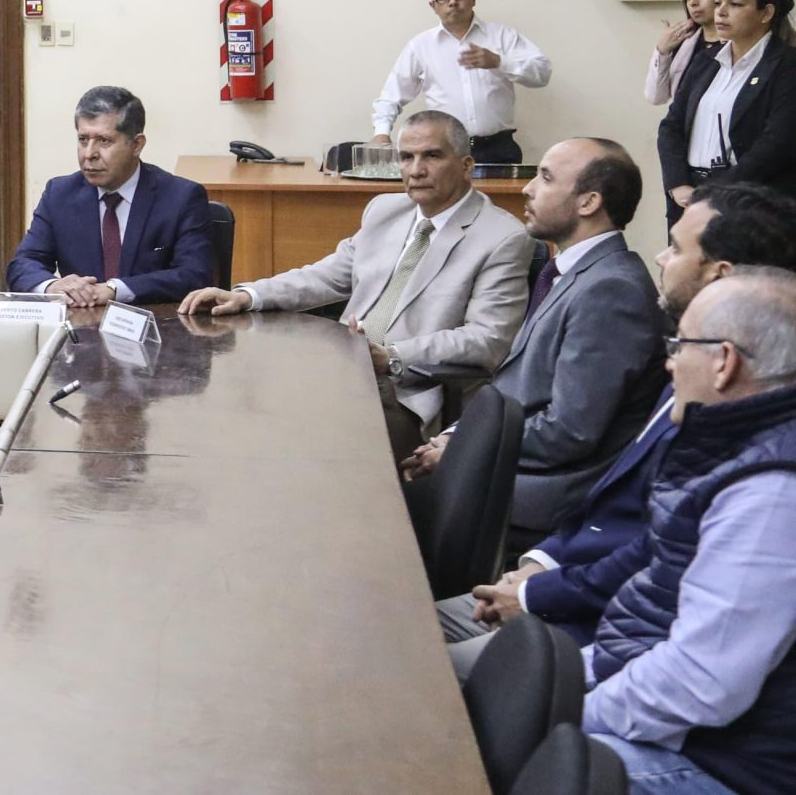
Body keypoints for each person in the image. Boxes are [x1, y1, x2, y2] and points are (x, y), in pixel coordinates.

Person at [436, 183, 796, 676]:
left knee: (413, 674)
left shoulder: (739, 404)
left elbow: (655, 548)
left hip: (598, 628)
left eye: (676, 246)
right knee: (395, 632)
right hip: (564, 576)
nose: (660, 256)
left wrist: (536, 593)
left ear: (720, 274)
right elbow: (616, 503)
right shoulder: (694, 355)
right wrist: (540, 566)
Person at [182, 111, 531, 460]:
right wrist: (248, 295)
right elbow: (328, 275)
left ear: (466, 165)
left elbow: (487, 340)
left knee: (297, 441)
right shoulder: (385, 210)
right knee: (238, 404)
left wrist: (392, 356)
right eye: (406, 157)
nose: (415, 169)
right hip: (343, 373)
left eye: (432, 156)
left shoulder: (502, 237)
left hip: (406, 391)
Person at [581, 269, 796, 795]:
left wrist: (563, 710)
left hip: (728, 763)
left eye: (680, 344)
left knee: (511, 756)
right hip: (698, 729)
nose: (669, 361)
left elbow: (701, 683)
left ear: (724, 363)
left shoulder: (771, 492)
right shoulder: (737, 445)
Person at [399, 140, 666, 542]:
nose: (527, 188)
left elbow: (570, 430)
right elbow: (521, 390)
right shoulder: (573, 274)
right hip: (507, 468)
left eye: (545, 177)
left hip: (539, 496)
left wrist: (464, 450)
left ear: (588, 202)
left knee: (374, 514)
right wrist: (456, 436)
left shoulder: (610, 290)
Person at [5, 85, 215, 306]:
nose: (89, 154)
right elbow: (22, 265)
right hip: (79, 330)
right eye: (83, 139)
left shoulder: (180, 197)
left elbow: (194, 275)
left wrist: (114, 290)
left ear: (136, 145)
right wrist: (52, 286)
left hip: (157, 331)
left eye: (104, 141)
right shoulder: (59, 194)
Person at [370, 0, 551, 165]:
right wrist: (381, 132)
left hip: (498, 149)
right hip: (444, 150)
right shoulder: (421, 46)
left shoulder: (501, 36)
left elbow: (542, 73)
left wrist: (500, 62)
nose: (453, 2)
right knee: (446, 197)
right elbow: (391, 96)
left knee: (501, 197)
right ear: (433, 6)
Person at [659, 0, 796, 218]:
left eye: (735, 4)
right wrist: (677, 184)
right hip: (688, 196)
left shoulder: (786, 65)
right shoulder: (705, 61)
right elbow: (671, 125)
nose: (720, 12)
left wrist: (715, 191)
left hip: (749, 201)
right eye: (719, 2)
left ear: (766, 13)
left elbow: (778, 141)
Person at [646, 0, 727, 106]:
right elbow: (656, 97)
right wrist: (662, 51)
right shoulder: (685, 42)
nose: (693, 2)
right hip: (684, 125)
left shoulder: (737, 42)